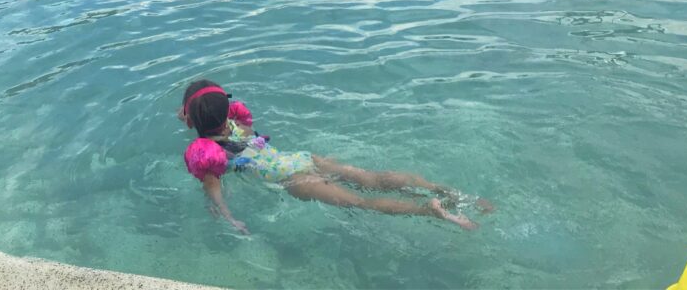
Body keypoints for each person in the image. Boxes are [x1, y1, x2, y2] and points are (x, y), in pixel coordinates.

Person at [179, 81, 491, 234]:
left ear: (190, 120)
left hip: (294, 181)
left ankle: (430, 211)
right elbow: (215, 114)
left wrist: (230, 218)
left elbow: (214, 191)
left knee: (362, 203)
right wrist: (197, 113)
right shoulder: (239, 126)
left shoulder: (210, 155)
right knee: (375, 179)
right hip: (305, 160)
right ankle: (452, 194)